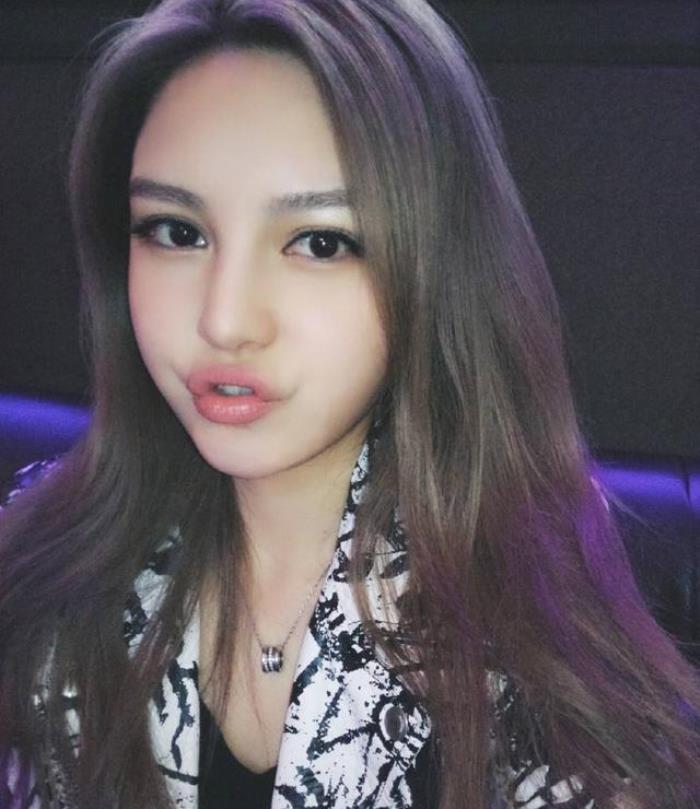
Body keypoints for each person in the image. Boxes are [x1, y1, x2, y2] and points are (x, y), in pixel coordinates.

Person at [1, 0, 698, 807]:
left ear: (435, 269)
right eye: (176, 232)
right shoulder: (43, 566)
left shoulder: (539, 663)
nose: (224, 320)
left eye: (320, 242)